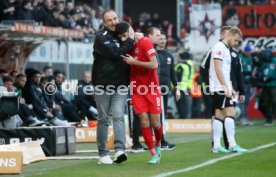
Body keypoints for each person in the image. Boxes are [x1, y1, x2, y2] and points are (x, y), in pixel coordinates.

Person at [92, 10, 135, 165]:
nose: (113, 22)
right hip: (103, 84)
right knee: (103, 119)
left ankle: (119, 150)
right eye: (109, 20)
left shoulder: (121, 34)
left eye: (114, 18)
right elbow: (116, 53)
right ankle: (102, 153)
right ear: (104, 23)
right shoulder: (101, 37)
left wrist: (135, 38)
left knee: (118, 115)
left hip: (121, 84)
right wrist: (130, 39)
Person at [119, 24, 163, 164]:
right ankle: (153, 153)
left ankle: (158, 144)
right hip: (137, 90)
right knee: (144, 121)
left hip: (151, 88)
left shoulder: (145, 42)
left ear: (132, 31)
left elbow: (154, 65)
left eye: (127, 34)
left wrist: (134, 62)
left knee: (156, 124)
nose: (126, 38)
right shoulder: (127, 46)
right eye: (123, 36)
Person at [209, 27, 248, 153]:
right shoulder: (219, 47)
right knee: (230, 112)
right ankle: (231, 144)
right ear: (230, 35)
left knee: (219, 115)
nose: (236, 43)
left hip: (223, 86)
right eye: (236, 40)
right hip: (220, 87)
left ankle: (216, 145)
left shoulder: (225, 49)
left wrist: (230, 87)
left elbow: (226, 71)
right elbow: (218, 68)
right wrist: (225, 87)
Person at [257, 49, 276, 125]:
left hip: (273, 85)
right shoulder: (263, 63)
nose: (265, 57)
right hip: (265, 85)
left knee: (274, 101)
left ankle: (274, 115)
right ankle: (269, 119)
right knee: (266, 102)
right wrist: (261, 78)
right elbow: (261, 72)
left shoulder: (274, 61)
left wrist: (271, 78)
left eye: (266, 56)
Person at [175, 51, 194, 118]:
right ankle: (185, 121)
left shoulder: (181, 65)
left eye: (178, 57)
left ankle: (182, 121)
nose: (177, 58)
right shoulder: (190, 64)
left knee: (181, 107)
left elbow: (177, 77)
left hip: (180, 88)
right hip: (187, 87)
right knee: (186, 107)